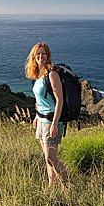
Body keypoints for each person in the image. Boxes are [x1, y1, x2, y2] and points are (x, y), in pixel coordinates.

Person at [25, 42, 67, 187]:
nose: (40, 56)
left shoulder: (52, 74)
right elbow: (40, 100)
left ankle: (66, 186)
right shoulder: (37, 76)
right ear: (34, 56)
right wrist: (36, 117)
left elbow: (59, 101)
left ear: (48, 56)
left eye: (43, 53)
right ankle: (52, 186)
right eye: (38, 53)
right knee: (47, 158)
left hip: (52, 120)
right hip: (41, 120)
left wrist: (55, 124)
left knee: (51, 157)